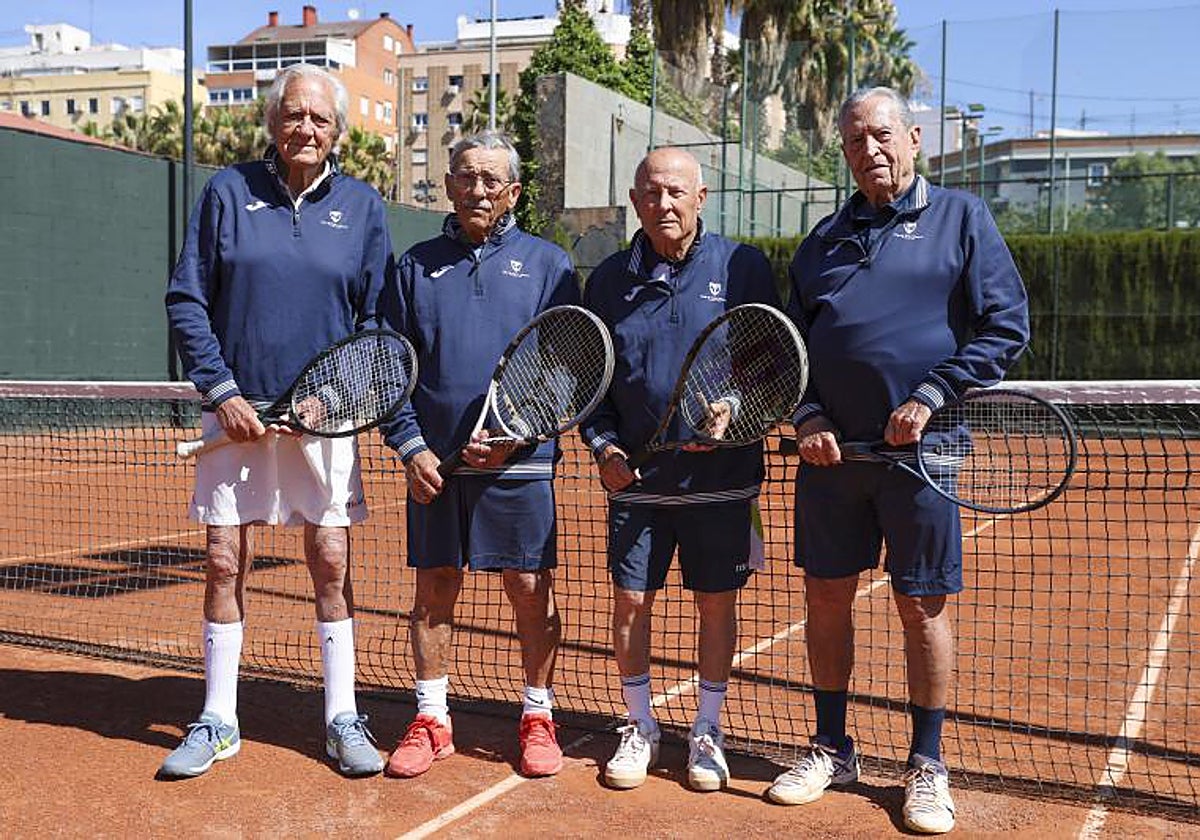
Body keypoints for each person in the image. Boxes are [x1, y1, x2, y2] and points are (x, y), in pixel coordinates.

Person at [770, 86, 1029, 833]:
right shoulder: (819, 243)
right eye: (854, 141)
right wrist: (808, 413)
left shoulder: (963, 219)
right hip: (831, 463)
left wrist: (932, 393)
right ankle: (831, 746)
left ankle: (926, 763)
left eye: (881, 135)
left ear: (914, 139)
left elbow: (1005, 326)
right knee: (825, 599)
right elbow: (788, 357)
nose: (868, 151)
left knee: (921, 606)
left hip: (926, 455)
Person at [161, 64, 392, 779]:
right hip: (234, 417)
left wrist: (330, 396)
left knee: (330, 562)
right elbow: (186, 299)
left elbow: (378, 326)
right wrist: (223, 390)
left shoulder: (363, 208)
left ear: (338, 131)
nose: (306, 129)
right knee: (225, 558)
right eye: (294, 116)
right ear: (272, 122)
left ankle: (341, 717)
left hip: (324, 424)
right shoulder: (226, 193)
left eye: (320, 119)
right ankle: (219, 718)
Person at [579, 147, 782, 793]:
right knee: (630, 604)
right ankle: (640, 725)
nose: (663, 204)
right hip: (639, 485)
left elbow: (777, 366)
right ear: (635, 201)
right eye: (650, 193)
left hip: (724, 482)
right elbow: (593, 386)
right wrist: (605, 449)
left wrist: (739, 410)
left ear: (701, 196)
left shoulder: (744, 267)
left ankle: (708, 729)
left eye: (675, 192)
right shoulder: (608, 281)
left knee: (716, 605)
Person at [380, 130, 578, 780]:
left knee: (527, 587)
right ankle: (432, 717)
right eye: (466, 177)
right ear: (448, 184)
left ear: (514, 190)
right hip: (436, 468)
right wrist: (411, 446)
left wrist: (516, 433)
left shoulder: (550, 265)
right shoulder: (413, 267)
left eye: (492, 179)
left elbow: (568, 368)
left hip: (519, 466)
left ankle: (537, 713)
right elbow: (390, 367)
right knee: (435, 588)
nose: (478, 189)